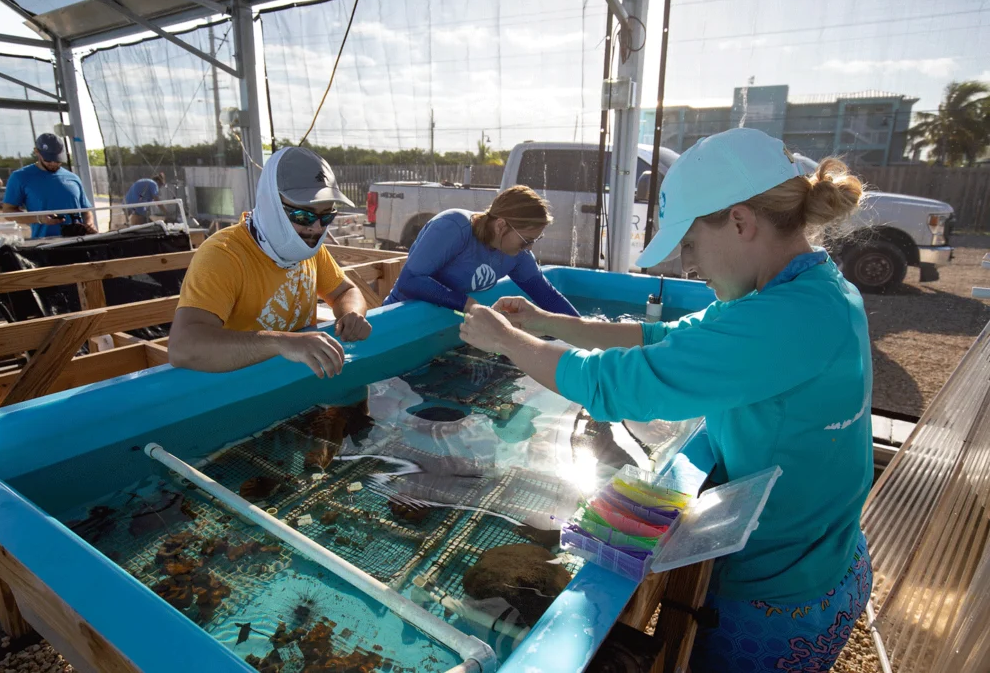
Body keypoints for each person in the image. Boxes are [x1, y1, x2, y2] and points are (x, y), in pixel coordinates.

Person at [459, 128, 873, 673]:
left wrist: (508, 342)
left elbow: (617, 385)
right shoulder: (800, 291)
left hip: (780, 593)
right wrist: (546, 322)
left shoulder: (785, 319)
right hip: (816, 554)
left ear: (742, 222)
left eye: (693, 243)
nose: (691, 263)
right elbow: (663, 337)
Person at [169, 147, 372, 376]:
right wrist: (281, 343)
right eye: (303, 216)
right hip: (241, 386)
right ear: (270, 204)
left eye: (327, 216)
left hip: (298, 377)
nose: (316, 227)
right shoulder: (223, 255)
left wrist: (351, 314)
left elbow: (345, 291)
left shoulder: (310, 249)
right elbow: (182, 347)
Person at [382, 185, 579, 316]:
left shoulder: (516, 255)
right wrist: (472, 306)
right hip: (399, 319)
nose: (529, 247)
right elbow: (410, 281)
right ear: (500, 226)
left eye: (535, 240)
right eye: (526, 240)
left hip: (440, 324)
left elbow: (548, 296)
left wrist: (586, 330)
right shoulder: (454, 226)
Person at [2, 133, 97, 237]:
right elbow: (8, 211)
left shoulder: (73, 178)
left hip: (79, 241)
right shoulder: (20, 177)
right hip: (45, 244)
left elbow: (86, 211)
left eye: (57, 160)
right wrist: (39, 218)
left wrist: (89, 223)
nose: (53, 163)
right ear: (36, 152)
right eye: (48, 159)